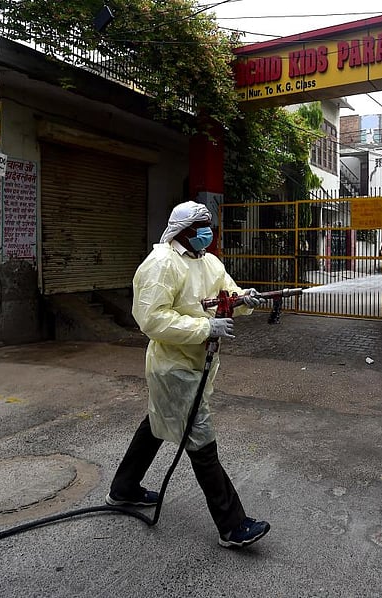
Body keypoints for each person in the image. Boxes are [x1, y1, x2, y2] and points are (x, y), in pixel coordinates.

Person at [106, 201, 270, 549]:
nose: (207, 234)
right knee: (201, 440)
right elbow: (152, 319)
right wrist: (204, 327)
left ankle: (123, 490)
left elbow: (226, 294)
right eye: (200, 228)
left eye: (209, 227)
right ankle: (232, 525)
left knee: (155, 423)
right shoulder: (162, 264)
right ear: (183, 231)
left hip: (196, 364)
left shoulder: (209, 262)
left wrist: (244, 299)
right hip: (172, 367)